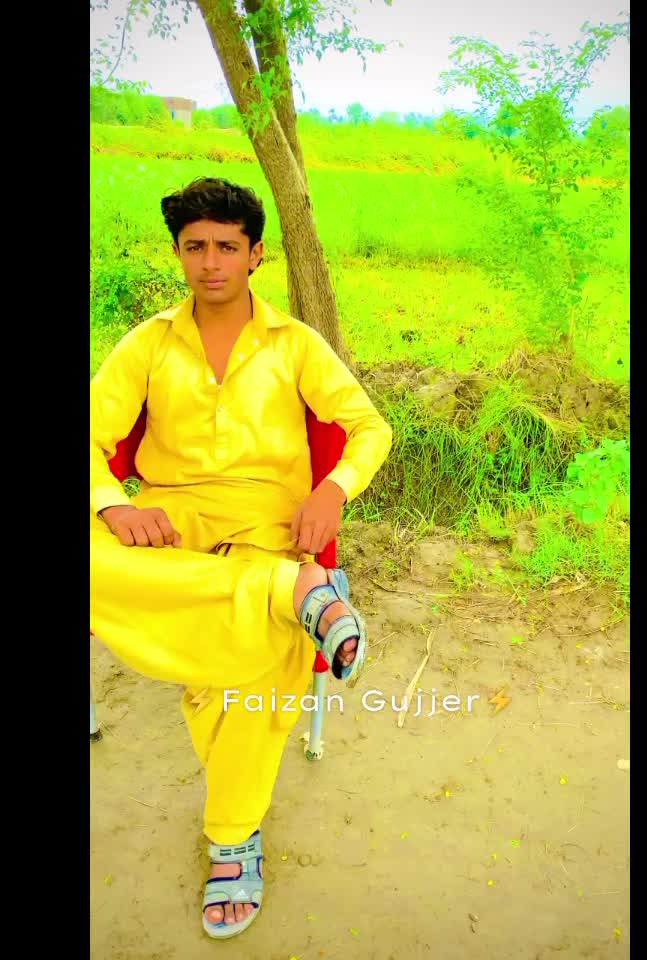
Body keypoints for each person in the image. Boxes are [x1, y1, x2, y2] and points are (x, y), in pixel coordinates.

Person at [90, 177, 392, 940]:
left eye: (227, 246)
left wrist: (333, 488)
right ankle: (290, 592)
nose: (211, 262)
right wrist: (115, 504)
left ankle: (232, 837)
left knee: (248, 669)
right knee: (249, 616)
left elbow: (370, 428)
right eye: (195, 246)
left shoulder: (295, 343)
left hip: (265, 520)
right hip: (171, 524)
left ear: (256, 253)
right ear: (177, 253)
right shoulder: (148, 343)